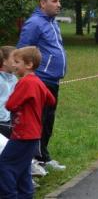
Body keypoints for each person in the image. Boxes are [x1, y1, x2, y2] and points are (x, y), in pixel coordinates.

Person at [17, 0, 67, 171]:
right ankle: (33, 161)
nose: (58, 5)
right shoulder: (35, 23)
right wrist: (29, 78)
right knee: (38, 121)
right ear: (42, 3)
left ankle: (43, 156)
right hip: (40, 81)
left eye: (59, 1)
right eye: (54, 1)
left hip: (53, 81)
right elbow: (22, 51)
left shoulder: (53, 22)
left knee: (48, 120)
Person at [0, 46, 56, 198]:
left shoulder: (25, 83)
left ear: (29, 64)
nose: (14, 65)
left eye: (17, 62)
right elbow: (50, 99)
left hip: (23, 133)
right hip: (34, 134)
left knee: (4, 164)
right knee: (23, 166)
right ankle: (26, 194)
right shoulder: (37, 81)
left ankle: (9, 195)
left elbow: (10, 104)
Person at [0, 46, 18, 138]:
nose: (17, 63)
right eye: (14, 60)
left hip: (11, 121)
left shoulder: (14, 79)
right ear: (4, 61)